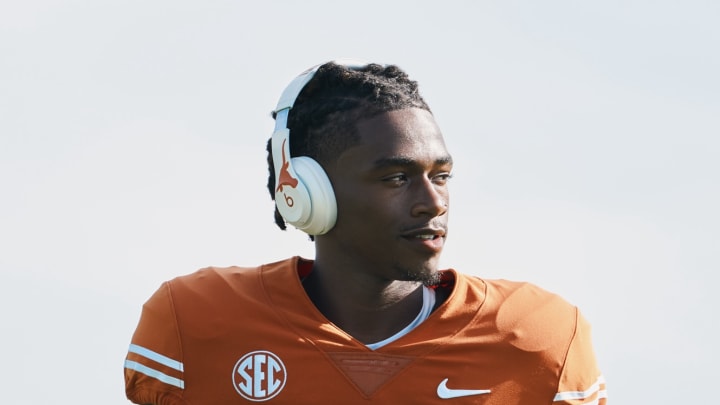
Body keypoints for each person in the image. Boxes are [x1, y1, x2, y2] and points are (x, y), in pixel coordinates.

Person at [124, 60, 608, 404]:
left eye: (440, 176)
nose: (433, 202)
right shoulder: (196, 323)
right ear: (306, 192)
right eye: (396, 178)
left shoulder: (538, 338)